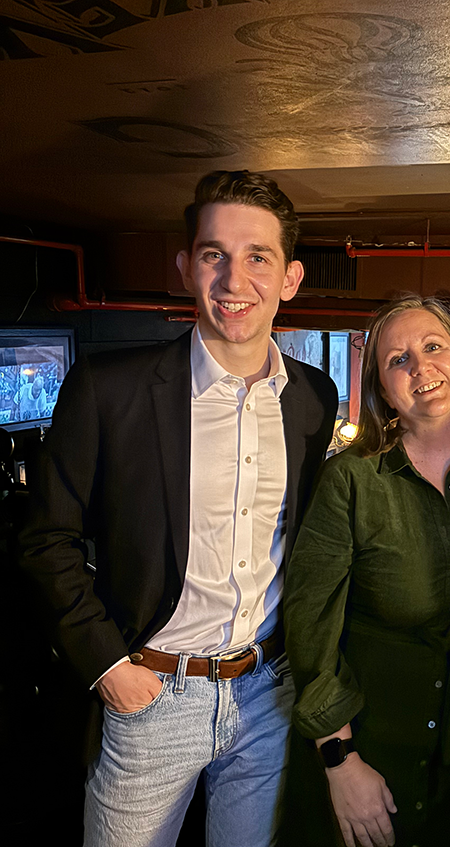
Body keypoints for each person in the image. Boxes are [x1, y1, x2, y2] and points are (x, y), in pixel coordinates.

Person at [18, 170, 338, 847]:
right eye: (213, 253)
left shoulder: (314, 396)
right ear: (184, 266)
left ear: (291, 278)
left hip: (267, 691)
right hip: (154, 694)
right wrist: (110, 668)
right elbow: (46, 537)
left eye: (258, 256)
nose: (232, 278)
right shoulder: (110, 389)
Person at [284, 296, 450, 847]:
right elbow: (309, 623)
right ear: (383, 390)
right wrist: (340, 759)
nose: (420, 367)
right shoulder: (352, 479)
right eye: (397, 360)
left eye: (433, 347)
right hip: (371, 760)